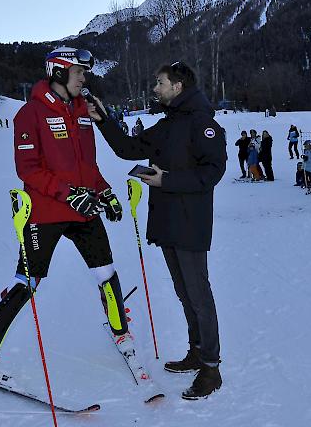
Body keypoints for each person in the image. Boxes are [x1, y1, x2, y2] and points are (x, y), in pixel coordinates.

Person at [0, 47, 137, 385]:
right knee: (28, 280)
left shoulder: (82, 111)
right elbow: (28, 169)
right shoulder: (31, 114)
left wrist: (106, 191)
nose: (84, 79)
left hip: (84, 208)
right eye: (78, 72)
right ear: (58, 73)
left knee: (106, 271)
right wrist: (70, 194)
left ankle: (121, 331)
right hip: (46, 210)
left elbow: (88, 166)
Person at [90, 61, 226, 399]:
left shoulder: (203, 124)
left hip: (191, 223)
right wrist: (103, 120)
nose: (155, 88)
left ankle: (211, 368)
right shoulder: (167, 125)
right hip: (167, 221)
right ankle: (196, 351)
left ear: (177, 86)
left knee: (199, 295)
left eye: (159, 82)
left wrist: (167, 180)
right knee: (184, 292)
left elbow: (212, 172)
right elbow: (128, 149)